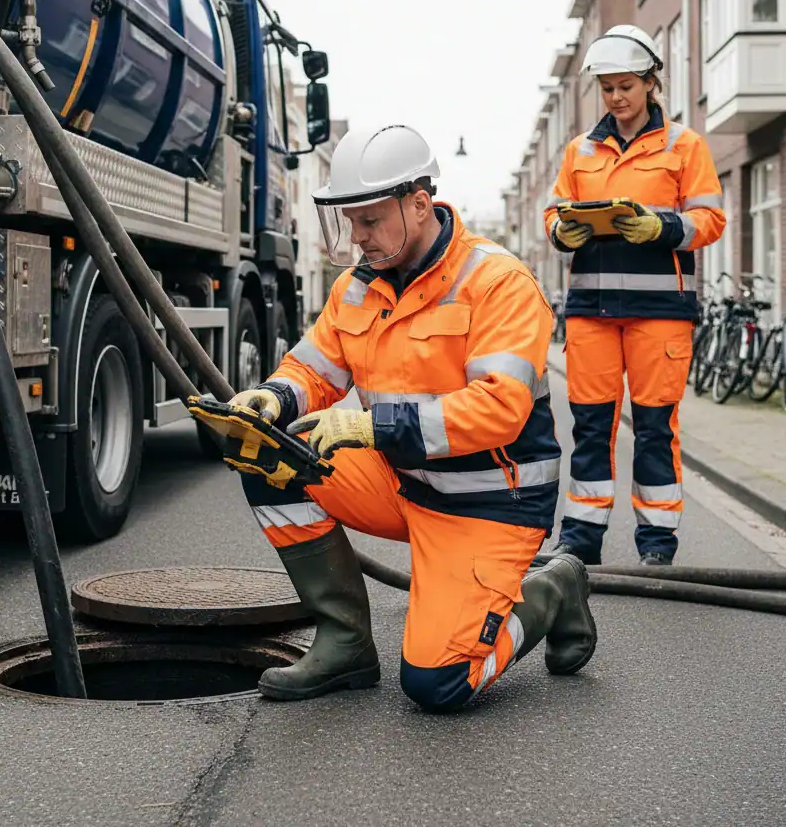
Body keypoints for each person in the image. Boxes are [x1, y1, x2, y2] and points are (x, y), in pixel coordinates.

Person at [226, 124, 597, 712]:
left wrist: (370, 428)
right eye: (351, 223)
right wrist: (273, 399)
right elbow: (315, 369)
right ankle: (345, 642)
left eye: (370, 221)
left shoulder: (497, 283)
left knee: (438, 684)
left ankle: (551, 590)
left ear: (419, 204)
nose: (358, 238)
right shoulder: (356, 288)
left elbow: (500, 410)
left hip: (488, 503)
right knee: (270, 456)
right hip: (405, 482)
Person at [543, 25, 725, 567]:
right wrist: (562, 231)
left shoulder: (684, 145)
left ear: (650, 83)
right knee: (591, 428)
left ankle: (657, 543)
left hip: (660, 315)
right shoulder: (580, 151)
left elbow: (710, 219)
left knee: (653, 427)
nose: (616, 97)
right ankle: (580, 539)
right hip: (592, 314)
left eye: (626, 85)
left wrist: (663, 228)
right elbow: (555, 214)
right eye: (607, 88)